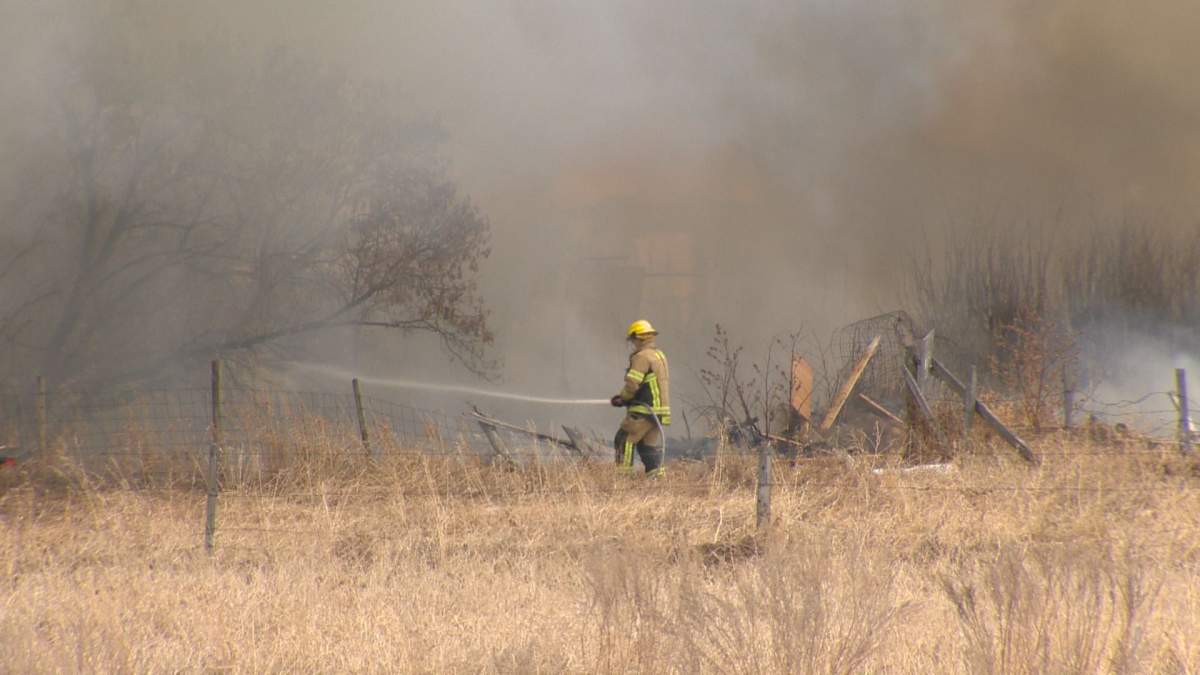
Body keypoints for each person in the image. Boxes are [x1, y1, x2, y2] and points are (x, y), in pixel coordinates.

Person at [611, 319, 670, 477]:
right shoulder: (659, 355)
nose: (632, 342)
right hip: (657, 412)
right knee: (646, 447)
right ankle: (658, 482)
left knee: (623, 439)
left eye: (632, 339)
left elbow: (632, 383)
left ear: (638, 337)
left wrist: (623, 398)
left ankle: (623, 480)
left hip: (644, 410)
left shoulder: (642, 357)